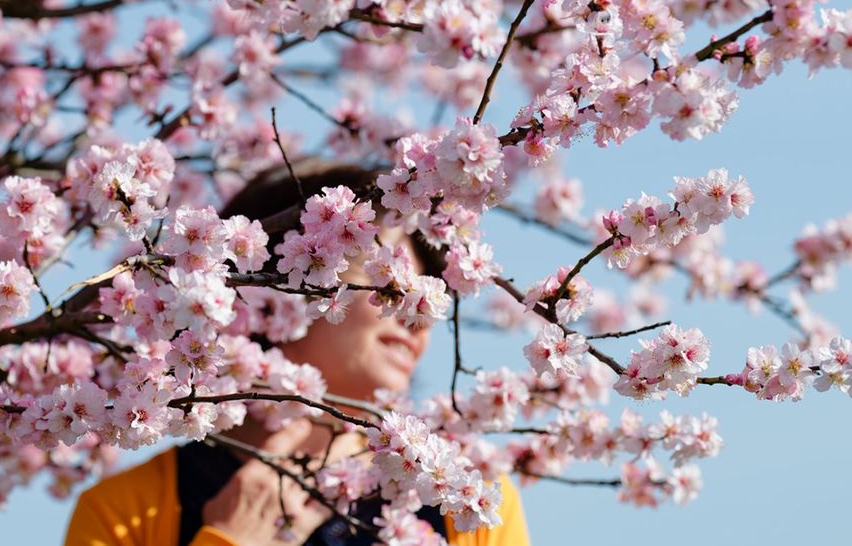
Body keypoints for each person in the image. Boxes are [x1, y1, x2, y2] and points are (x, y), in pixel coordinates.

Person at [64, 162, 531, 546]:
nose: (416, 319)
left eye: (421, 301)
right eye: (389, 287)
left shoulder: (464, 502)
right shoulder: (125, 514)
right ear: (272, 286)